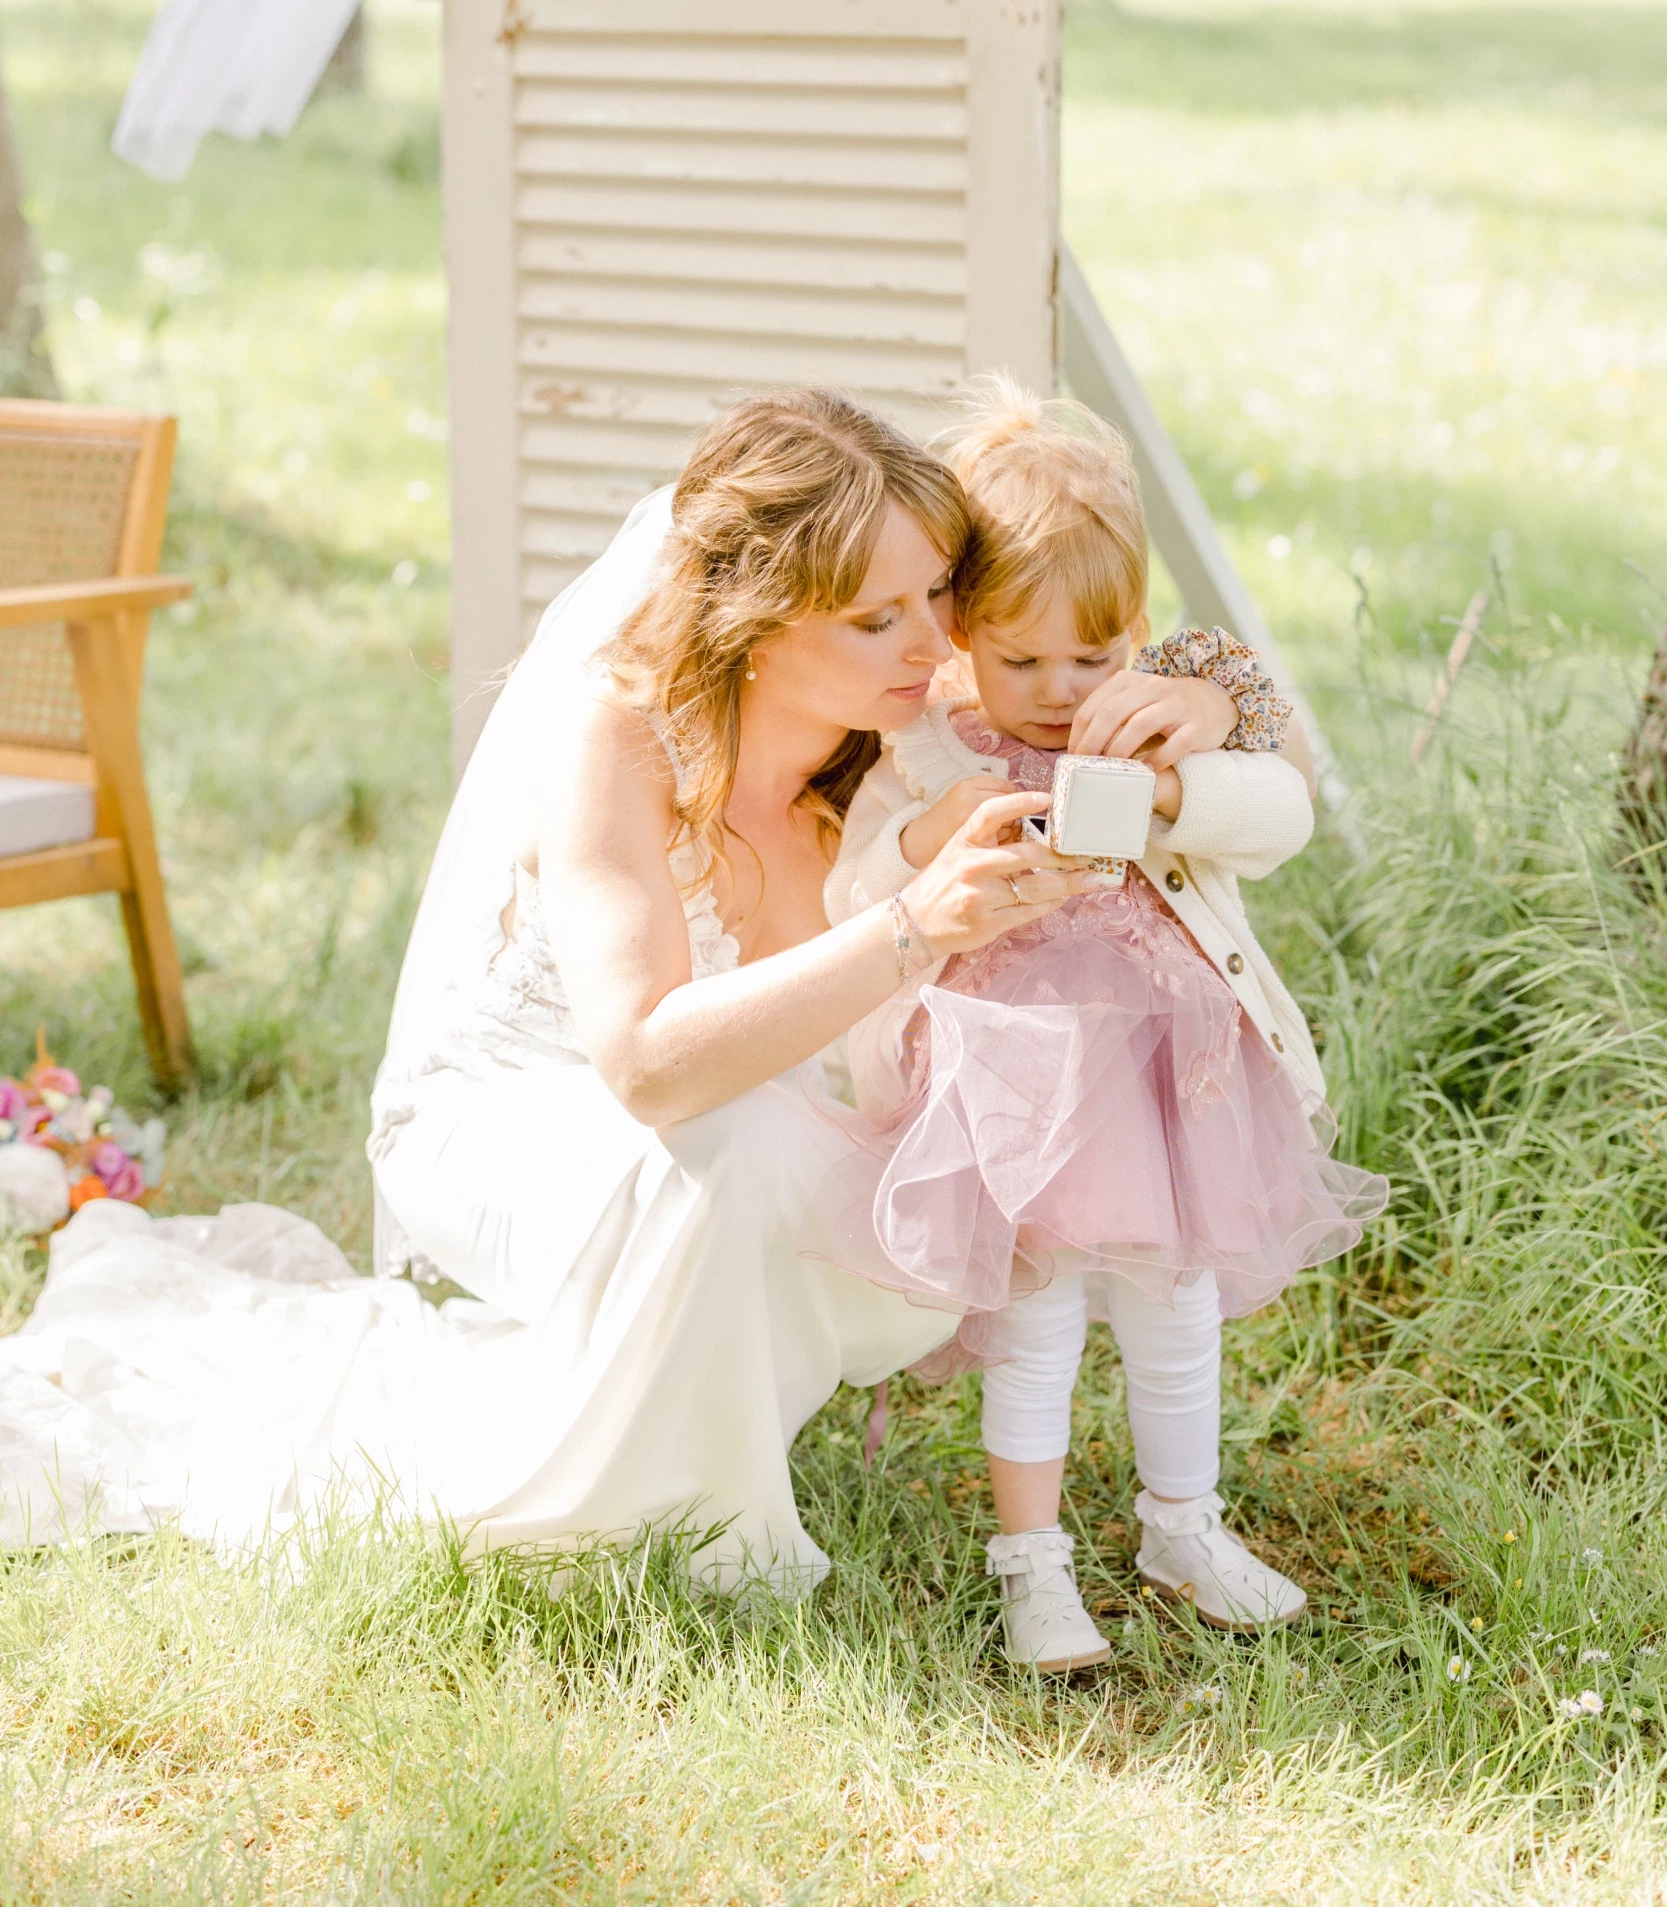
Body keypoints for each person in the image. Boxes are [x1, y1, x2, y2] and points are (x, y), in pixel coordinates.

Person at [0, 387, 1242, 1590]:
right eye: (879, 616)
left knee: (881, 1177)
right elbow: (646, 1065)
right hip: (508, 1120)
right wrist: (913, 928)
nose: (935, 640)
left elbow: (1177, 693)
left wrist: (1204, 693)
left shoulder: (912, 721)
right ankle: (706, 1535)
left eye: (935, 595)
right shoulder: (615, 731)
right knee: (734, 1137)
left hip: (728, 1122)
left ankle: (704, 1420)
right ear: (758, 618)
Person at [822, 383, 1387, 1664]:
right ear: (960, 631)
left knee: (1173, 1310)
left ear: (1131, 628)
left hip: (1164, 1075)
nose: (1057, 690)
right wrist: (936, 838)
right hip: (1018, 1085)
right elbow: (854, 880)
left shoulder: (1160, 710)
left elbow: (1280, 814)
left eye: (1088, 656)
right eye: (1019, 661)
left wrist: (1173, 777)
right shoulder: (930, 744)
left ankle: (1181, 1524)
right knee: (1036, 1323)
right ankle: (1031, 1564)